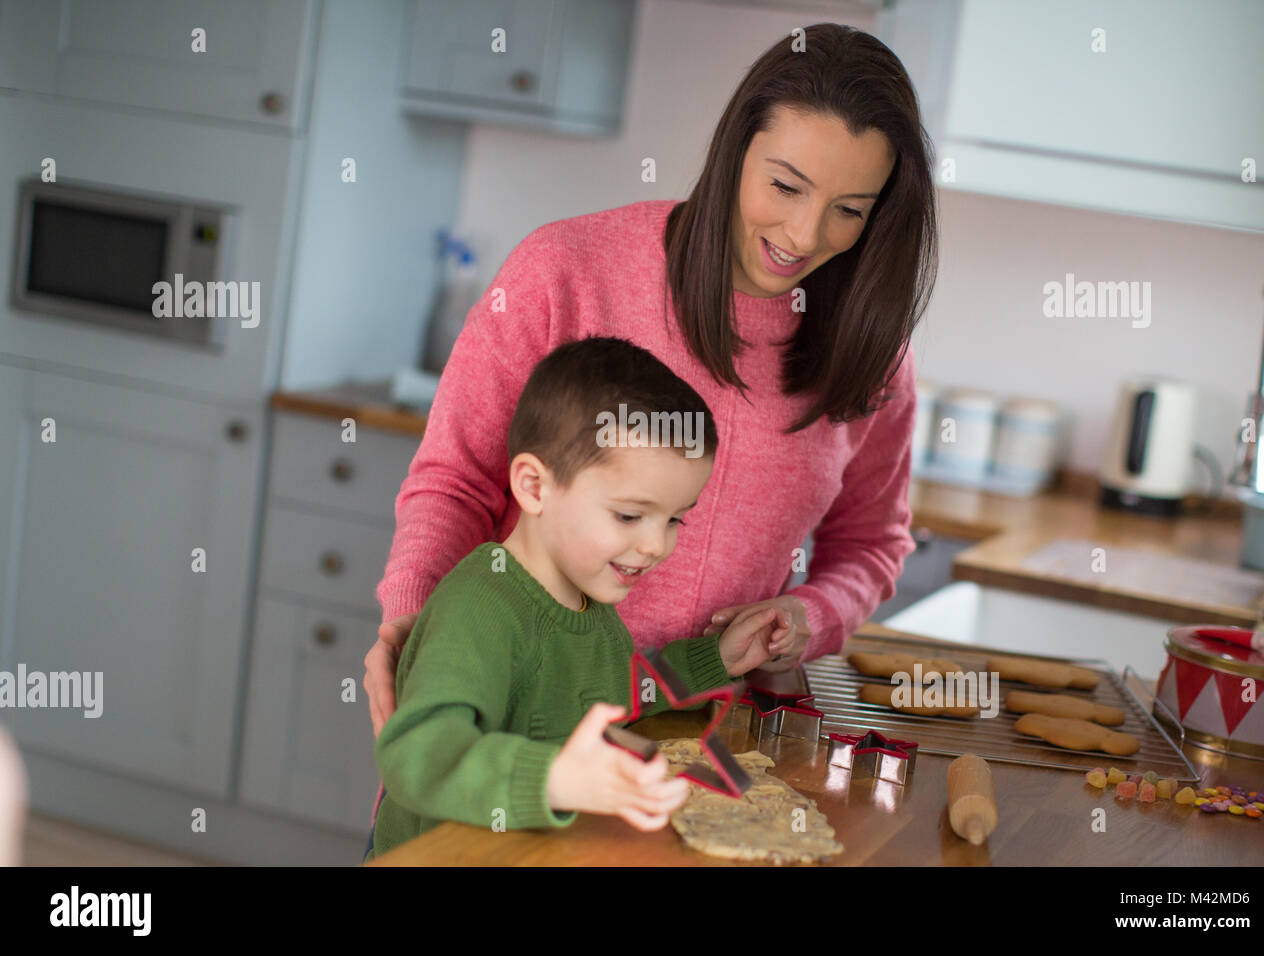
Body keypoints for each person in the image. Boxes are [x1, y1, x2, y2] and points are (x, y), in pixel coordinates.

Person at [365, 22, 938, 737]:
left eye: (849, 211)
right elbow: (457, 480)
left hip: (700, 748)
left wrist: (811, 614)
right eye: (785, 186)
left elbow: (871, 544)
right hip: (506, 719)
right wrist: (417, 620)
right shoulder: (565, 270)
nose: (802, 233)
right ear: (735, 152)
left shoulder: (870, 353)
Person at [364, 337, 798, 861]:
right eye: (630, 516)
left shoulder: (593, 614)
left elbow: (624, 690)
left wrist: (718, 658)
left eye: (675, 518)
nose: (656, 545)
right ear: (534, 486)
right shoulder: (480, 609)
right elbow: (418, 757)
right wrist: (554, 779)